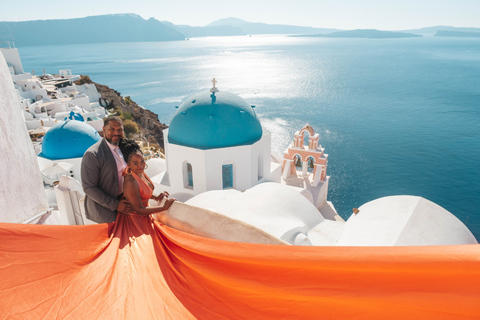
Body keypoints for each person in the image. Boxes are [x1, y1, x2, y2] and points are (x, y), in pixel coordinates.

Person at [81, 116, 132, 223]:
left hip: (123, 201)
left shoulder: (123, 148)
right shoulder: (92, 154)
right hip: (104, 209)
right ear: (104, 130)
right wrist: (116, 205)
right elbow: (89, 188)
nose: (116, 133)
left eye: (119, 130)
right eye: (112, 129)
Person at [119, 139, 176, 216]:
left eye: (142, 161)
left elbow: (141, 194)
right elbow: (139, 210)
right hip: (135, 221)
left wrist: (156, 197)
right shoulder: (130, 182)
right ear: (128, 164)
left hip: (144, 218)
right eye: (135, 163)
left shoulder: (140, 172)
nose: (141, 165)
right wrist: (164, 207)